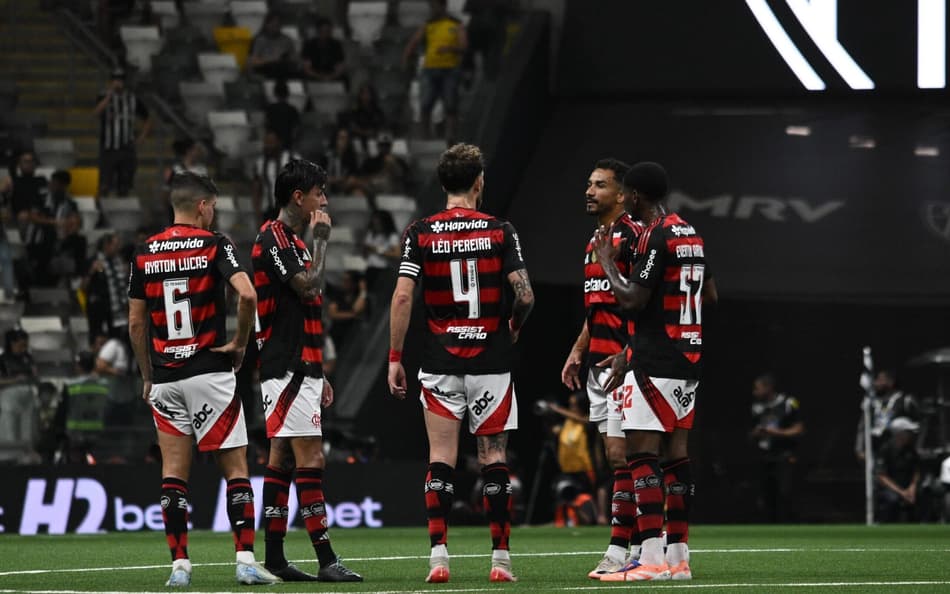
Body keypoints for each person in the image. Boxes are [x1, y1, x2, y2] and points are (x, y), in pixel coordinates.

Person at [387, 143, 534, 583]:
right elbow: (525, 293)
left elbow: (402, 296)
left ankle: (438, 556)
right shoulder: (500, 230)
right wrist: (513, 322)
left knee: (441, 456)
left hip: (440, 359)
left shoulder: (421, 232)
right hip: (491, 360)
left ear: (442, 183)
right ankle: (501, 560)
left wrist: (395, 357)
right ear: (479, 182)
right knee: (493, 457)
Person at [127, 171, 278, 586]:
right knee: (236, 469)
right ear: (201, 206)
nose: (214, 214)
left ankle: (179, 565)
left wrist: (147, 375)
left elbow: (136, 325)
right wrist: (241, 343)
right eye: (213, 206)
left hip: (166, 377)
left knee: (174, 472)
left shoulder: (145, 252)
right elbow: (247, 294)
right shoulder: (216, 245)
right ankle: (246, 561)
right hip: (209, 370)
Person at [596, 162, 717, 582]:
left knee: (641, 454)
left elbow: (631, 301)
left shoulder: (654, 235)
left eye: (626, 193)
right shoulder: (691, 234)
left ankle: (648, 559)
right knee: (676, 456)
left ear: (633, 196)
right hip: (689, 356)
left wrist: (608, 263)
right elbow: (711, 294)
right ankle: (679, 558)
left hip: (658, 356)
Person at [251, 159, 362, 582]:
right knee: (311, 457)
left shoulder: (289, 242)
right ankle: (326, 559)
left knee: (281, 457)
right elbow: (311, 286)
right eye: (320, 193)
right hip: (288, 367)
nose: (325, 201)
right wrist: (321, 240)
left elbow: (303, 312)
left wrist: (320, 369)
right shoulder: (273, 238)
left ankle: (275, 557)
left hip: (301, 365)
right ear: (299, 197)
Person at [560, 158, 643, 578]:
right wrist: (578, 349)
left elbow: (640, 305)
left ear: (623, 194)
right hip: (598, 364)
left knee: (625, 455)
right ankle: (645, 543)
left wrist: (631, 352)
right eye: (589, 184)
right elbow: (598, 306)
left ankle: (626, 547)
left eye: (600, 186)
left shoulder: (633, 238)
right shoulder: (594, 240)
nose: (590, 191)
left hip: (627, 364)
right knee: (617, 459)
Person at [403, 0, 468, 142]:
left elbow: (463, 46)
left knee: (450, 104)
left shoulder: (456, 24)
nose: (432, 9)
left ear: (443, 5)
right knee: (425, 104)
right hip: (430, 68)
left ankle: (450, 137)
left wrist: (450, 49)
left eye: (435, 6)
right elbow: (414, 41)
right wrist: (407, 54)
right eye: (431, 6)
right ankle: (425, 137)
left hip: (450, 69)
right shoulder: (429, 24)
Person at [749, 373, 804, 523]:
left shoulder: (789, 403)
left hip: (784, 455)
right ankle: (769, 528)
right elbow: (751, 432)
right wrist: (757, 433)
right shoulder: (757, 406)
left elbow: (799, 429)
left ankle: (790, 524)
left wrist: (776, 433)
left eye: (758, 388)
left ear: (768, 388)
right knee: (766, 495)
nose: (755, 392)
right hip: (765, 456)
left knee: (785, 493)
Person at [94, 68, 151, 197]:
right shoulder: (103, 96)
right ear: (111, 81)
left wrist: (142, 136)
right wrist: (109, 96)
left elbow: (147, 118)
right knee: (104, 185)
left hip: (127, 148)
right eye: (115, 79)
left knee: (124, 186)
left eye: (120, 80)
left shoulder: (132, 99)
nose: (118, 82)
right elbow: (96, 112)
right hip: (108, 148)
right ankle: (102, 214)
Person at [26, 170, 77, 286]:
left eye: (57, 184)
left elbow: (74, 220)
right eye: (53, 182)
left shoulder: (69, 202)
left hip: (58, 241)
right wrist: (53, 222)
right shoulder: (40, 196)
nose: (53, 185)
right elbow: (33, 217)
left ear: (64, 186)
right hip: (37, 240)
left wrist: (70, 226)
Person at [855, 369, 920, 461]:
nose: (876, 383)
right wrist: (859, 449)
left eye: (880, 380)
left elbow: (919, 425)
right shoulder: (872, 402)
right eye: (876, 380)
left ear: (891, 382)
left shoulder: (906, 400)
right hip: (877, 449)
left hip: (899, 454)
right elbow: (863, 426)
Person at [83, 232, 129, 341]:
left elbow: (125, 285)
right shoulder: (93, 260)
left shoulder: (119, 262)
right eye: (115, 245)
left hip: (115, 308)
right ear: (106, 245)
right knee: (97, 336)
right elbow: (83, 286)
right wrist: (92, 271)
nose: (118, 248)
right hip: (98, 308)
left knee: (117, 338)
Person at [875, 416, 921, 522]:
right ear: (899, 434)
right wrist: (902, 492)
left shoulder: (911, 450)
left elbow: (916, 471)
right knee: (893, 499)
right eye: (908, 432)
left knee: (923, 494)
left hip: (908, 488)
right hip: (890, 489)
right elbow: (881, 476)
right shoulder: (885, 450)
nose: (911, 435)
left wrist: (912, 487)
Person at [251, 129, 300, 224]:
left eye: (271, 142)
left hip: (289, 209)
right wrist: (257, 212)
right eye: (266, 143)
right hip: (268, 209)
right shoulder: (260, 163)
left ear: (279, 142)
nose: (269, 146)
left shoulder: (292, 159)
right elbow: (256, 189)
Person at [248, 12, 300, 80]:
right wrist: (272, 60)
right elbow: (252, 62)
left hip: (284, 69)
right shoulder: (258, 40)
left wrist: (290, 59)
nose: (275, 28)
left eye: (278, 25)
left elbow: (294, 58)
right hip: (265, 68)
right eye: (273, 25)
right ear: (266, 24)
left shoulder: (287, 40)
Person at [326, 270, 367, 351]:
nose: (344, 283)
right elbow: (332, 314)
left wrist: (363, 291)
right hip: (335, 333)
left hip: (352, 336)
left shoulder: (358, 297)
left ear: (354, 283)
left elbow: (357, 309)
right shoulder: (338, 294)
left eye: (347, 280)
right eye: (343, 280)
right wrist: (352, 315)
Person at [301, 17, 347, 86]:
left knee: (344, 79)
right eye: (322, 31)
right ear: (317, 31)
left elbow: (339, 67)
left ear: (331, 31)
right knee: (305, 77)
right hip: (314, 75)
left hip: (332, 75)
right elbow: (307, 68)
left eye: (327, 31)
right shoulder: (309, 44)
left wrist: (330, 77)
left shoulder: (336, 45)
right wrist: (320, 77)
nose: (325, 34)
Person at [362, 209, 401, 287]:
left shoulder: (392, 236)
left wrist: (378, 250)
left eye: (378, 222)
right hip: (370, 268)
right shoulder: (371, 234)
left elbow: (397, 254)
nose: (376, 224)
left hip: (384, 269)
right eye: (374, 222)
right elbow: (365, 252)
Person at [265, 80, 301, 150]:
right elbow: (296, 129)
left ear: (275, 93)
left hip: (274, 144)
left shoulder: (270, 109)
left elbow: (267, 126)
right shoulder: (292, 109)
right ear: (287, 93)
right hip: (288, 143)